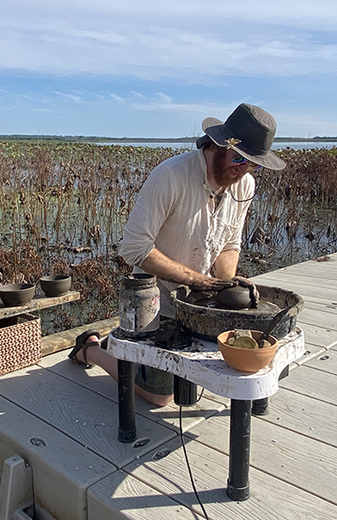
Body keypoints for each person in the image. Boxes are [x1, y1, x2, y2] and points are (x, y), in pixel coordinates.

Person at [68, 103, 286, 406]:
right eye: (239, 158)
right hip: (155, 295)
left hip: (200, 297)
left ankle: (128, 350)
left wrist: (225, 288)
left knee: (240, 362)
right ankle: (90, 348)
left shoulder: (244, 184)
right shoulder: (171, 176)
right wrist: (196, 280)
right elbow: (134, 247)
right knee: (161, 397)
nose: (244, 169)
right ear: (219, 144)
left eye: (253, 164)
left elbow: (229, 244)